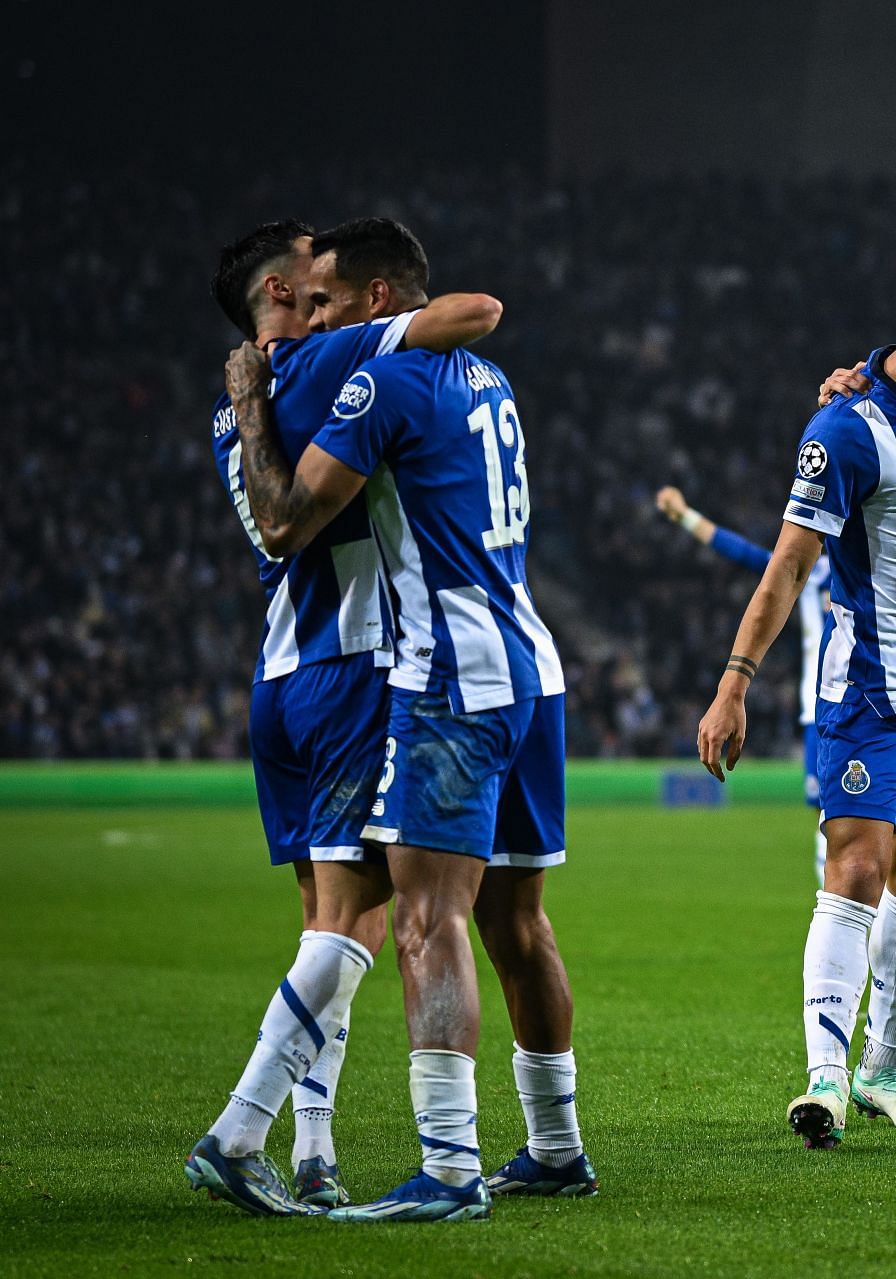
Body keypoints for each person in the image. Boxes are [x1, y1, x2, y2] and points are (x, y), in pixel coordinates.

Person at [220, 217, 592, 1221]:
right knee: (520, 917)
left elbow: (288, 520)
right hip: (531, 661)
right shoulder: (489, 382)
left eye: (331, 302)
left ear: (378, 302)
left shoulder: (375, 381)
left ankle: (449, 1166)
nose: (316, 320)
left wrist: (254, 407)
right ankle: (556, 1147)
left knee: (427, 918)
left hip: (450, 674)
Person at [186, 218, 501, 1216]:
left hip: (282, 670)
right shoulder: (330, 357)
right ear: (283, 290)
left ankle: (312, 1150)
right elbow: (463, 317)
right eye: (310, 268)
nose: (324, 280)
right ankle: (246, 1132)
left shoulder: (233, 408)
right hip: (365, 662)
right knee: (366, 919)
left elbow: (274, 523)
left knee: (332, 916)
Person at [698, 246, 896, 1150]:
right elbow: (788, 564)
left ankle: (882, 1064)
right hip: (869, 689)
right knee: (857, 872)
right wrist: (735, 682)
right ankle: (825, 1078)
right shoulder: (842, 429)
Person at [655, 486, 834, 883]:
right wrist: (684, 515)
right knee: (830, 815)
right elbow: (738, 551)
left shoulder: (879, 566)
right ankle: (845, 916)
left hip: (870, 700)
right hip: (820, 707)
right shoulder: (810, 569)